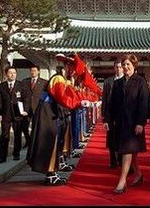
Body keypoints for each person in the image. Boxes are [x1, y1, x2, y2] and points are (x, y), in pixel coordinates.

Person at [27, 54, 99, 186]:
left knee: (56, 142)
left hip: (52, 112)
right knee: (51, 142)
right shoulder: (58, 79)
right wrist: (80, 103)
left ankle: (52, 172)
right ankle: (50, 175)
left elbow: (72, 96)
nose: (73, 73)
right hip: (47, 112)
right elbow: (64, 97)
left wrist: (83, 100)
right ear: (66, 66)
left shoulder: (64, 80)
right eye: (71, 68)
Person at [106, 54, 150, 194]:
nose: (125, 67)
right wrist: (107, 119)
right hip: (120, 122)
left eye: (128, 65)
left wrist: (140, 123)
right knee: (130, 151)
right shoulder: (118, 83)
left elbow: (144, 103)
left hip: (134, 123)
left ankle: (122, 181)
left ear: (134, 66)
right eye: (123, 65)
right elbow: (111, 103)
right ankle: (138, 174)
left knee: (127, 150)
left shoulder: (140, 81)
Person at [0, 66, 31, 164]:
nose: (12, 74)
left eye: (14, 73)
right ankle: (2, 157)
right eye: (10, 73)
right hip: (6, 114)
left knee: (17, 134)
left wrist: (26, 110)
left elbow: (27, 99)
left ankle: (16, 153)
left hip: (18, 114)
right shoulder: (1, 86)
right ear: (6, 74)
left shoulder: (21, 85)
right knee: (4, 135)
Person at [102, 60, 124, 169]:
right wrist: (105, 118)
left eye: (120, 67)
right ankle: (113, 161)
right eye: (117, 67)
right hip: (111, 114)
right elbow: (105, 100)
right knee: (111, 139)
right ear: (114, 68)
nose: (119, 69)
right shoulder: (108, 82)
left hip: (123, 115)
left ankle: (121, 160)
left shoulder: (127, 80)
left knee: (121, 139)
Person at [22, 65, 48, 149]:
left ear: (38, 72)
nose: (33, 72)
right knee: (24, 126)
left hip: (38, 108)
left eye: (35, 71)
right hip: (26, 108)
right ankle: (28, 140)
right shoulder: (25, 81)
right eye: (31, 71)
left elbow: (46, 95)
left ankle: (34, 143)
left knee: (35, 126)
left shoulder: (44, 82)